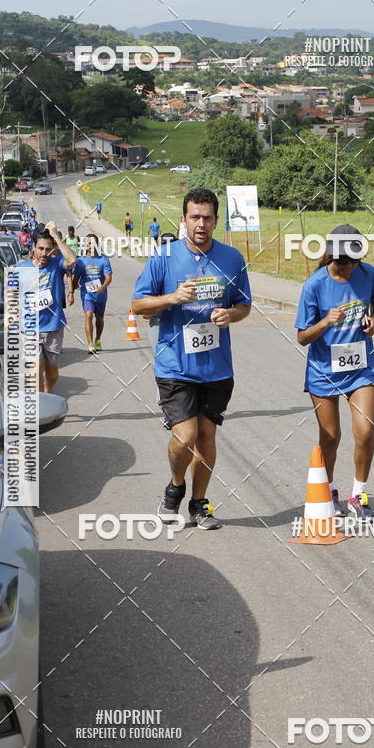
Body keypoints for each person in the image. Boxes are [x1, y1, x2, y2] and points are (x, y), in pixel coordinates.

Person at [132, 188, 252, 530]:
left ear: (216, 220)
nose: (201, 224)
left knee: (207, 437)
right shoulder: (163, 257)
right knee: (185, 436)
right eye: (195, 217)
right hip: (174, 365)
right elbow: (138, 305)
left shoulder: (232, 259)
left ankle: (199, 505)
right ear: (183, 219)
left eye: (208, 217)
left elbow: (244, 305)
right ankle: (175, 486)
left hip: (217, 367)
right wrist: (172, 297)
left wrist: (231, 315)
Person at [295, 224, 374, 521]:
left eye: (352, 261)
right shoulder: (315, 285)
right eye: (342, 261)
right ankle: (330, 489)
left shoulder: (369, 274)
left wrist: (372, 320)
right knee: (331, 436)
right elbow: (302, 337)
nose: (347, 267)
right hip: (324, 371)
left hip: (360, 368)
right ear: (331, 256)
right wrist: (326, 322)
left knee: (366, 430)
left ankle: (359, 494)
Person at [17, 221, 77, 392]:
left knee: (51, 372)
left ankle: (47, 394)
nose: (44, 253)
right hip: (30, 328)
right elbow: (11, 300)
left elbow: (71, 260)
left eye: (48, 249)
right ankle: (41, 408)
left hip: (53, 327)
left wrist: (56, 236)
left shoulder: (56, 265)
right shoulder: (21, 270)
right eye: (41, 248)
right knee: (36, 370)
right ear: (33, 248)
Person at [73, 233, 113, 353]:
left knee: (99, 318)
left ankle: (98, 339)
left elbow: (108, 277)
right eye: (88, 243)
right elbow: (76, 278)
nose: (90, 245)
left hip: (101, 295)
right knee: (88, 315)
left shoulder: (104, 259)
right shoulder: (81, 261)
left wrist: (104, 286)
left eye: (92, 243)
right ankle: (90, 344)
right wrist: (73, 288)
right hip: (87, 294)